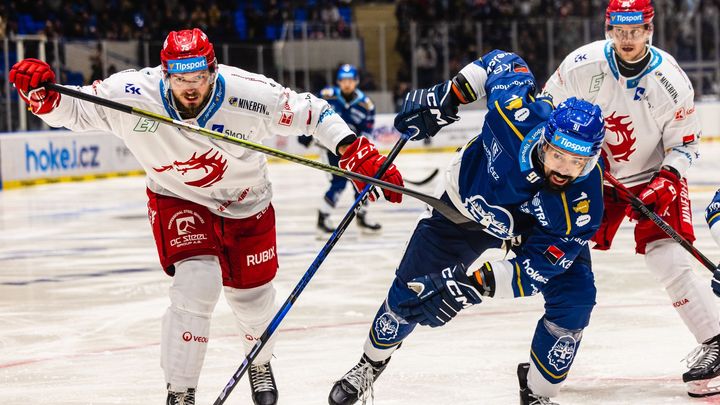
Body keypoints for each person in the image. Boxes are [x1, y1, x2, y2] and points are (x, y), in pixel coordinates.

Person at [8, 28, 404, 405]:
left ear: (213, 70)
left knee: (253, 302)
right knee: (196, 283)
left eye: (199, 76)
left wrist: (356, 150)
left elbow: (313, 113)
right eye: (181, 79)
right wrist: (43, 97)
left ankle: (259, 360)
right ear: (165, 75)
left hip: (246, 200)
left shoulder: (248, 92)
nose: (191, 87)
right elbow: (75, 109)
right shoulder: (132, 92)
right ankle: (180, 390)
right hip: (177, 197)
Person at [328, 50, 607, 405]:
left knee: (577, 298)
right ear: (545, 140)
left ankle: (537, 391)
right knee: (408, 292)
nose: (565, 170)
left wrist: (470, 285)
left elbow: (536, 269)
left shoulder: (582, 206)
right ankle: (370, 363)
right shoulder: (513, 112)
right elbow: (501, 61)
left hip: (534, 233)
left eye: (577, 162)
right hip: (463, 210)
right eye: (558, 155)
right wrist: (451, 93)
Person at [540, 0, 719, 397]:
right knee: (561, 250)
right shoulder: (581, 65)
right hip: (589, 177)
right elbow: (544, 110)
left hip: (653, 176)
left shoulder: (671, 81)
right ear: (609, 28)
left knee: (666, 257)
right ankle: (551, 346)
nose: (626, 38)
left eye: (634, 30)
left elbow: (686, 145)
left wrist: (667, 180)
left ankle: (716, 342)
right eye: (619, 30)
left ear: (649, 30)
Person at [299, 64, 381, 237]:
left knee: (364, 181)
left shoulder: (367, 105)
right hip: (329, 148)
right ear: (338, 82)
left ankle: (362, 216)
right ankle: (323, 217)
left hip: (353, 151)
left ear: (356, 81)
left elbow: (367, 131)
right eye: (343, 81)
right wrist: (305, 133)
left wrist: (364, 151)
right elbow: (312, 114)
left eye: (350, 80)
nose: (347, 84)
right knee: (339, 182)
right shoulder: (327, 95)